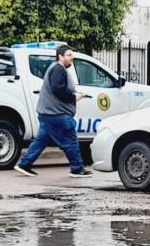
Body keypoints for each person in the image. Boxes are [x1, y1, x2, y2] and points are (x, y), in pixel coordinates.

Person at [15, 45, 93, 178]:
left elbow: (58, 88)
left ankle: (24, 164)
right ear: (60, 56)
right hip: (58, 114)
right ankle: (77, 168)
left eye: (71, 55)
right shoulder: (59, 69)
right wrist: (74, 96)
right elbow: (58, 89)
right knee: (71, 140)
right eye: (69, 55)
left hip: (47, 114)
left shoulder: (55, 68)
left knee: (41, 140)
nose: (71, 58)